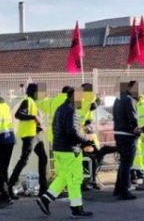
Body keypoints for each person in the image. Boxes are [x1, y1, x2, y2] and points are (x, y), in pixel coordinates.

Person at [37, 87, 93, 218]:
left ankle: (45, 199)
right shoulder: (71, 111)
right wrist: (86, 140)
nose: (82, 100)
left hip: (59, 149)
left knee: (63, 177)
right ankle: (76, 209)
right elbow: (72, 132)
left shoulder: (60, 109)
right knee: (74, 179)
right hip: (70, 151)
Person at [9, 83, 48, 199]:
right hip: (28, 136)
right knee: (24, 160)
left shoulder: (32, 102)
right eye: (38, 92)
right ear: (34, 92)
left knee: (43, 157)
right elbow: (18, 114)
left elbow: (32, 121)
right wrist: (33, 117)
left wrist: (39, 126)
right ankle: (9, 186)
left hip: (34, 134)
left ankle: (43, 189)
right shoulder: (27, 101)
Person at [112, 80, 139, 200]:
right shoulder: (129, 100)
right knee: (127, 164)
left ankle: (118, 188)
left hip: (118, 133)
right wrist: (136, 130)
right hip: (127, 134)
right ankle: (123, 190)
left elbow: (114, 115)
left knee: (123, 163)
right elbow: (132, 118)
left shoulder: (117, 100)